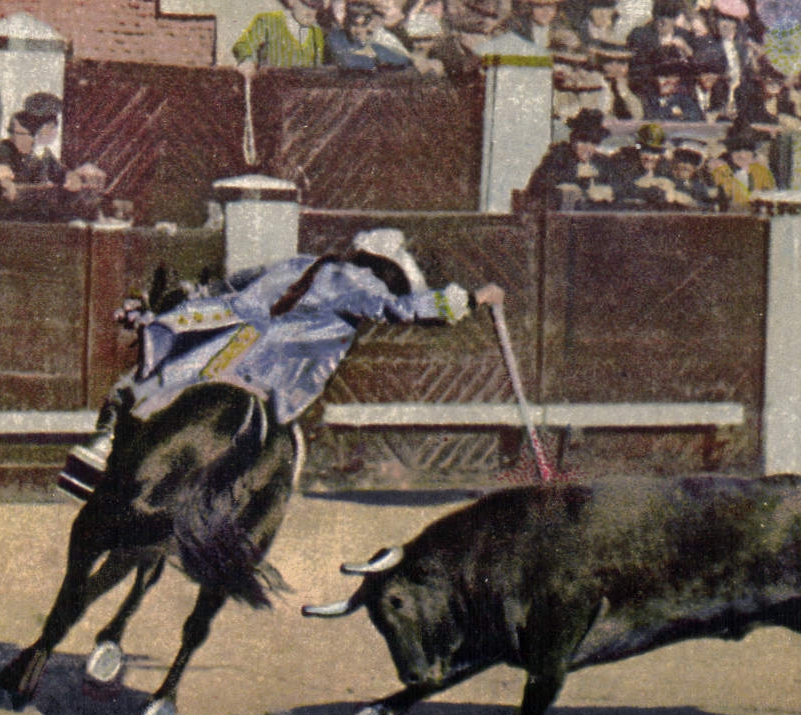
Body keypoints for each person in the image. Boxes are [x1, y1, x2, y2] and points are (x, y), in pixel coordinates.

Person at [58, 229, 505, 500]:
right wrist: (471, 298)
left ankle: (103, 451)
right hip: (270, 371)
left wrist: (184, 301)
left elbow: (234, 283)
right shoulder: (362, 283)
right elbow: (402, 309)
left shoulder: (305, 263)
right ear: (387, 270)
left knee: (145, 382)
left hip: (226, 332)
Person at [522, 108, 622, 210]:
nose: (587, 148)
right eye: (583, 141)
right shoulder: (557, 157)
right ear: (573, 140)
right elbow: (537, 187)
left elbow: (620, 186)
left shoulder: (602, 162)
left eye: (593, 142)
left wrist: (609, 190)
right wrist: (569, 188)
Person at [231, 0, 328, 69]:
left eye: (315, 15)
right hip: (272, 85)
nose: (311, 20)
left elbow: (318, 68)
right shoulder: (268, 21)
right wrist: (247, 61)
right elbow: (243, 45)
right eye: (307, 15)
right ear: (293, 1)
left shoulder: (316, 32)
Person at [327, 2, 413, 70]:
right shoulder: (336, 37)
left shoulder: (373, 41)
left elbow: (403, 60)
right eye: (354, 25)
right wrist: (374, 58)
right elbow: (346, 61)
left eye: (363, 25)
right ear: (346, 24)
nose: (358, 31)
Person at [711, 128, 776, 209]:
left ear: (753, 154)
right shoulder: (720, 171)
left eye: (746, 151)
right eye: (737, 151)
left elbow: (770, 195)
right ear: (730, 154)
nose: (742, 156)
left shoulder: (762, 172)